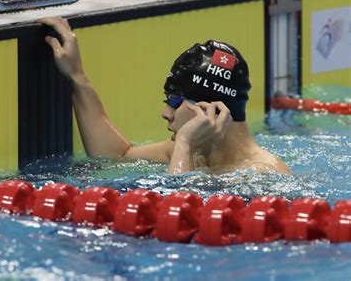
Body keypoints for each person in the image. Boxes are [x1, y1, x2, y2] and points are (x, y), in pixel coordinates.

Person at [38, 17, 291, 175]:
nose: (165, 112)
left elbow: (177, 215)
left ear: (210, 110)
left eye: (174, 101)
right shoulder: (199, 153)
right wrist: (77, 76)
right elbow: (116, 156)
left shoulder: (262, 175)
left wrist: (184, 144)